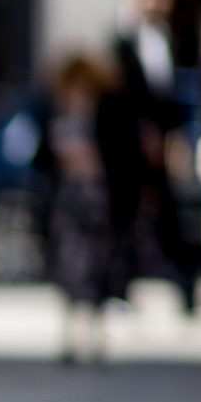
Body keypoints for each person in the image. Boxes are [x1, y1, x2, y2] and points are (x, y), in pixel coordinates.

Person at [99, 0, 188, 303]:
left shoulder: (167, 39)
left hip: (162, 139)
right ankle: (119, 287)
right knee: (125, 214)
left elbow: (171, 95)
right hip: (130, 143)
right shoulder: (122, 41)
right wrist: (141, 130)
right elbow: (119, 95)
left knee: (170, 214)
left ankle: (184, 285)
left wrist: (172, 137)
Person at [36, 47, 117, 359]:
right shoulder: (56, 113)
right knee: (68, 265)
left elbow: (116, 151)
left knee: (99, 263)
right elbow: (43, 155)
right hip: (67, 197)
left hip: (95, 196)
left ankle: (98, 333)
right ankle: (72, 334)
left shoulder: (103, 113)